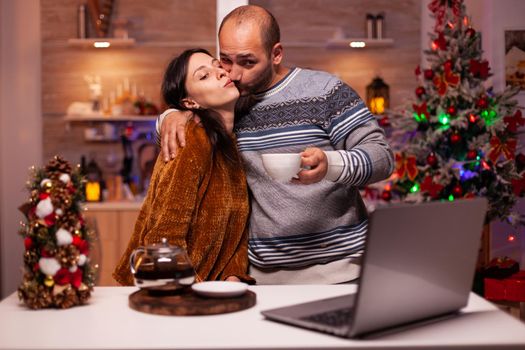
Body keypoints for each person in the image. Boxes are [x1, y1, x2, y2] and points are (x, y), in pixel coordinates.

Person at [156, 5, 394, 284]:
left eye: (247, 62)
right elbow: (188, 130)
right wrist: (169, 116)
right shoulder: (231, 104)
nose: (233, 74)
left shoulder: (325, 91)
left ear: (276, 54)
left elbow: (382, 157)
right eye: (225, 61)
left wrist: (331, 165)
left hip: (339, 270)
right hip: (263, 277)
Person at [113, 48, 253, 285]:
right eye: (203, 76)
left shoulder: (230, 144)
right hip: (172, 292)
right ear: (190, 102)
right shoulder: (190, 140)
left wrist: (233, 277)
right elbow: (165, 239)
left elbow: (236, 231)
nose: (219, 73)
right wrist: (194, 294)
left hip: (211, 294)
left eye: (217, 65)